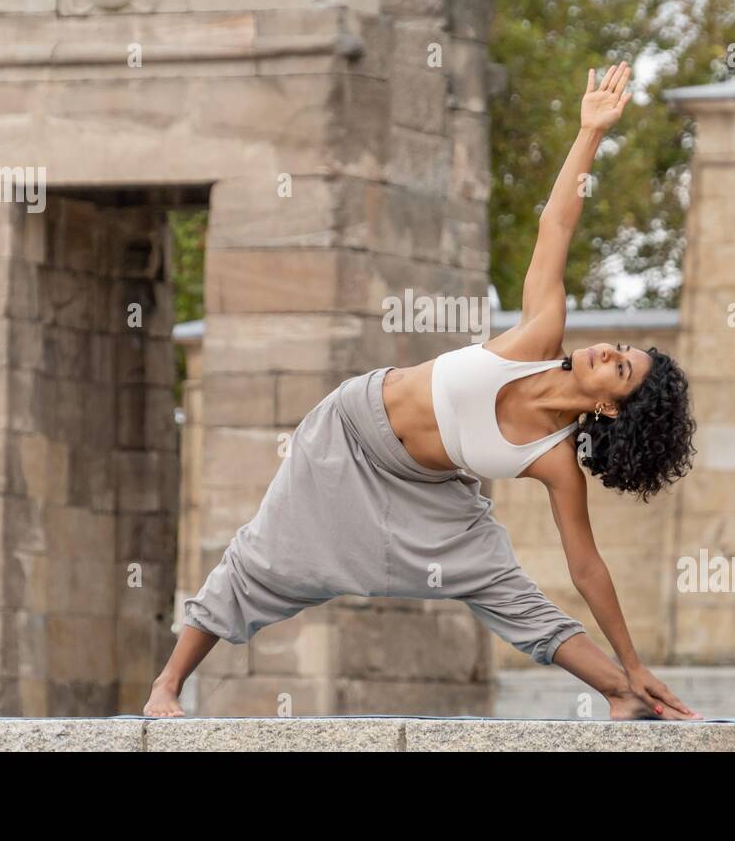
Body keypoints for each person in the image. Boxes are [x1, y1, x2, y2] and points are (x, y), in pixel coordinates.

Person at [144, 61, 700, 721]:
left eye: (621, 369)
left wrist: (635, 660)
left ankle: (621, 694)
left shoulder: (555, 462)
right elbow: (556, 224)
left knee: (499, 583)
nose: (609, 351)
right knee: (264, 557)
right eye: (621, 349)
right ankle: (166, 688)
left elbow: (587, 570)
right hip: (352, 431)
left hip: (429, 487)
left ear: (610, 406)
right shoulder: (537, 336)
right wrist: (590, 134)